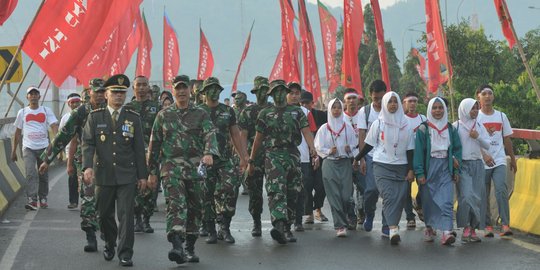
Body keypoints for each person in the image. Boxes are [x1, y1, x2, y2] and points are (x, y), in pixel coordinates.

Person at [147, 75, 218, 264]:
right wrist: (152, 171)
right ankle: (177, 244)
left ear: (190, 90)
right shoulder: (163, 115)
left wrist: (209, 152)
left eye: (184, 88)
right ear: (173, 90)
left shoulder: (201, 113)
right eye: (177, 88)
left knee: (196, 207)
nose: (181, 92)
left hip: (195, 167)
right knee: (176, 204)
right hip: (171, 167)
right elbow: (154, 145)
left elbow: (210, 134)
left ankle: (190, 246)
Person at [82, 74, 147, 267]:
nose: (119, 96)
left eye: (122, 93)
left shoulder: (133, 118)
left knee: (126, 216)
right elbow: (88, 144)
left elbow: (138, 148)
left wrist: (142, 175)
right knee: (103, 215)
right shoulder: (95, 117)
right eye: (115, 92)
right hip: (103, 175)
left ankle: (125, 253)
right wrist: (87, 167)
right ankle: (110, 242)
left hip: (127, 175)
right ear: (106, 94)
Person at [247, 79, 318, 244]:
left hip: (292, 155)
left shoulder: (296, 112)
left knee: (292, 192)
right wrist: (251, 159)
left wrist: (313, 148)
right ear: (271, 94)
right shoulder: (265, 113)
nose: (279, 94)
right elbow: (258, 139)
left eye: (282, 91)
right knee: (276, 190)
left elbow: (306, 131)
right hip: (273, 155)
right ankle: (279, 225)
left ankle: (287, 227)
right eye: (276, 91)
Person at [39, 79, 107, 252]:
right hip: (86, 162)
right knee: (88, 198)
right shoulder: (81, 112)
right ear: (89, 91)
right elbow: (63, 136)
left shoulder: (112, 109)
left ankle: (108, 231)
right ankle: (90, 235)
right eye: (96, 91)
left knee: (105, 199)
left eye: (102, 91)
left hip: (109, 162)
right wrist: (47, 159)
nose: (100, 95)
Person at [354, 92, 415, 245]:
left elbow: (410, 150)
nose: (393, 104)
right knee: (387, 195)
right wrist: (357, 158)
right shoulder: (378, 123)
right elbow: (369, 144)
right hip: (381, 164)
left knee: (399, 197)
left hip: (401, 166)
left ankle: (388, 226)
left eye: (395, 102)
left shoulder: (406, 124)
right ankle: (390, 227)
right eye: (390, 102)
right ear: (385, 105)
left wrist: (410, 169)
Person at [199, 77, 249, 244]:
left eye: (217, 89)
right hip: (205, 160)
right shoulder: (198, 111)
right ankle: (210, 229)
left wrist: (243, 157)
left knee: (229, 189)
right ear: (204, 92)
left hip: (225, 158)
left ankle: (224, 226)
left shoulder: (228, 111)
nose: (214, 92)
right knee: (206, 193)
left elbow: (235, 134)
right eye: (211, 89)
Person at [414, 97, 462, 245]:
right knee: (429, 201)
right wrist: (420, 173)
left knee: (447, 200)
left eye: (440, 108)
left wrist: (456, 168)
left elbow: (457, 149)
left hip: (445, 168)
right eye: (434, 108)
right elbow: (418, 153)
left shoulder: (450, 129)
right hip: (430, 168)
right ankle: (429, 226)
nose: (437, 111)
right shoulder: (423, 129)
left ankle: (447, 231)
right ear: (429, 109)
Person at [475, 85, 516, 237]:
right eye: (484, 93)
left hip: (499, 159)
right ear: (478, 97)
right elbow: (473, 140)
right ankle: (487, 226)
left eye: (489, 93)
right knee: (483, 193)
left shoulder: (501, 116)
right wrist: (483, 154)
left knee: (501, 190)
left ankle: (505, 224)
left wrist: (512, 159)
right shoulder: (476, 117)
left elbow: (507, 139)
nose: (487, 96)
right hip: (482, 160)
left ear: (493, 97)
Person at [315, 98, 358, 237]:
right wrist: (328, 151)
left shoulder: (347, 127)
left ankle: (350, 213)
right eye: (334, 108)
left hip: (345, 163)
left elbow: (355, 144)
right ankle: (340, 225)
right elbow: (318, 147)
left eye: (339, 107)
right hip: (330, 164)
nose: (337, 110)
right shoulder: (324, 128)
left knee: (346, 196)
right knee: (334, 196)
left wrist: (349, 148)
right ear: (329, 110)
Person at [12, 86, 59, 210]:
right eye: (30, 94)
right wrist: (13, 151)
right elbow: (17, 132)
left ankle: (43, 198)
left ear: (39, 96)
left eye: (35, 94)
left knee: (43, 173)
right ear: (27, 97)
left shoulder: (46, 110)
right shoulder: (22, 112)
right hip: (28, 147)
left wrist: (56, 143)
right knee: (30, 173)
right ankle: (32, 200)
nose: (33, 96)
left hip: (44, 147)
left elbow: (54, 125)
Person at [238, 76, 272, 237]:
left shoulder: (274, 109)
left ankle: (279, 222)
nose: (263, 93)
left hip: (273, 156)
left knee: (276, 191)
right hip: (254, 156)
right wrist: (244, 158)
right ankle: (256, 222)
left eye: (266, 90)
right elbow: (242, 135)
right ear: (255, 92)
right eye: (260, 90)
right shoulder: (248, 111)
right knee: (255, 192)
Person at [126, 75, 160, 234]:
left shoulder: (157, 107)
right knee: (135, 186)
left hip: (153, 154)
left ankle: (146, 219)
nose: (141, 88)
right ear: (133, 88)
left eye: (144, 85)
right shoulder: (127, 108)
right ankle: (136, 218)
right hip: (133, 154)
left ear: (148, 88)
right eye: (138, 85)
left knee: (151, 187)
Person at [454, 98, 490, 242]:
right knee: (466, 196)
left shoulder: (479, 126)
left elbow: (487, 145)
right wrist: (452, 158)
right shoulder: (456, 126)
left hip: (477, 165)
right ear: (464, 109)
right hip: (462, 165)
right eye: (472, 108)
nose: (475, 110)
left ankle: (474, 228)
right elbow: (449, 145)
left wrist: (478, 137)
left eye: (477, 107)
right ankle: (466, 226)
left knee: (478, 198)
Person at [357, 80, 387, 234]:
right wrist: (361, 158)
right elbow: (362, 134)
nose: (378, 102)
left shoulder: (392, 109)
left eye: (381, 99)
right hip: (370, 156)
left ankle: (387, 223)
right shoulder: (365, 112)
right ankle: (369, 214)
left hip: (389, 158)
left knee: (388, 193)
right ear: (370, 96)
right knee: (371, 190)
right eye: (375, 99)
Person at [296, 89, 328, 229]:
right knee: (307, 185)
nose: (304, 105)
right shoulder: (296, 115)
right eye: (302, 102)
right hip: (304, 156)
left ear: (312, 103)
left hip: (321, 154)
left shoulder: (321, 115)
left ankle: (318, 209)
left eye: (307, 103)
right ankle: (308, 212)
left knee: (321, 184)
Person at [402, 91, 427, 228]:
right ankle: (409, 216)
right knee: (406, 187)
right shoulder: (402, 120)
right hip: (406, 156)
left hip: (421, 156)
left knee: (423, 184)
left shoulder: (423, 118)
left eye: (414, 101)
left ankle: (419, 203)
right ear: (404, 103)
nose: (412, 104)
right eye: (409, 101)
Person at [342, 88, 365, 228]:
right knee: (347, 190)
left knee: (363, 187)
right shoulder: (340, 117)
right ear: (345, 102)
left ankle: (362, 211)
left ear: (358, 101)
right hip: (346, 158)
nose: (351, 101)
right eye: (348, 98)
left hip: (361, 156)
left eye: (353, 98)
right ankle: (351, 216)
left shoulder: (363, 116)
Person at [60, 93, 82, 209]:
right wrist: (61, 153)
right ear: (69, 104)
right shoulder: (65, 118)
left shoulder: (85, 115)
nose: (75, 104)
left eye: (77, 102)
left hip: (85, 152)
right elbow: (61, 136)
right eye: (72, 102)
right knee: (72, 176)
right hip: (71, 151)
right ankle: (73, 201)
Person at [231, 91, 249, 195]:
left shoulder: (248, 111)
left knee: (245, 163)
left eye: (239, 98)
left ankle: (246, 184)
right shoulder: (232, 111)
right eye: (236, 98)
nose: (237, 100)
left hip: (246, 141)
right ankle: (236, 184)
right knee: (235, 164)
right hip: (234, 141)